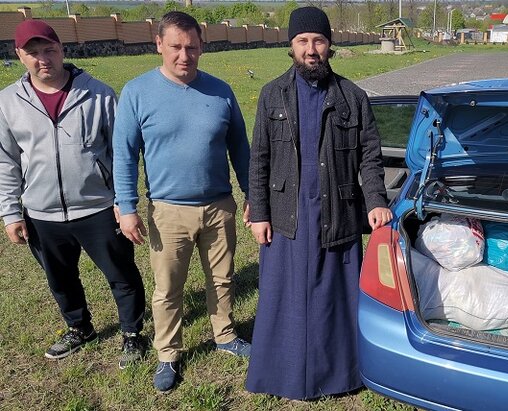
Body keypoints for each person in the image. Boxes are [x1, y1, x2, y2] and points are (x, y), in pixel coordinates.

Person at [246, 6, 393, 400]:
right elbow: (259, 157)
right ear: (291, 46)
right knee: (285, 297)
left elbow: (370, 156)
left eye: (319, 41)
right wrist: (258, 211)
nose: (311, 49)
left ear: (330, 45)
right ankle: (282, 373)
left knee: (335, 297)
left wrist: (376, 200)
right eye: (303, 41)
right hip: (286, 215)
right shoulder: (271, 94)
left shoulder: (353, 97)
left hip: (338, 211)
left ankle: (340, 374)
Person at [112, 11, 252, 392]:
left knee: (222, 279)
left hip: (219, 205)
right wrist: (126, 207)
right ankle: (168, 353)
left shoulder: (221, 91)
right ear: (158, 44)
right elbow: (123, 155)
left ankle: (224, 334)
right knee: (168, 287)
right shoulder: (137, 92)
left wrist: (253, 193)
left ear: (202, 47)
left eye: (191, 47)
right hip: (168, 211)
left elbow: (240, 148)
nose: (183, 56)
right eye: (175, 47)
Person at [0, 20, 147, 368]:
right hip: (41, 213)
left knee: (122, 274)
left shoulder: (99, 94)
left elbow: (122, 153)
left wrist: (122, 202)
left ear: (62, 49)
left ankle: (132, 334)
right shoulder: (8, 102)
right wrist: (11, 212)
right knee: (60, 279)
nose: (42, 59)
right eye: (32, 53)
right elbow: (5, 160)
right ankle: (79, 327)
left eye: (48, 50)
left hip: (98, 207)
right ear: (19, 55)